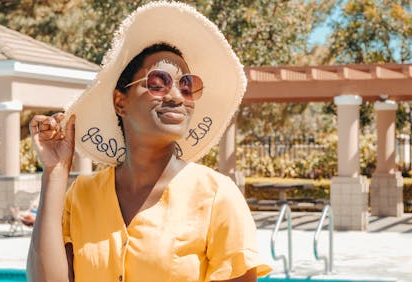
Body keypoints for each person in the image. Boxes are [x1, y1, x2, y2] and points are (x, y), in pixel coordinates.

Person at [27, 2, 272, 281]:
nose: (177, 97)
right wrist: (55, 172)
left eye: (187, 86)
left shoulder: (216, 195)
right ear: (120, 102)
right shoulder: (82, 195)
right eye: (158, 82)